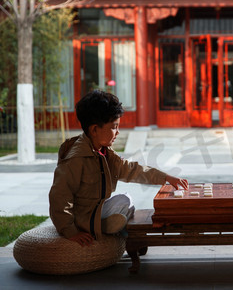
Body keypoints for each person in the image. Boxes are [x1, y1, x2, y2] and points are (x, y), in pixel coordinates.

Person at [49, 90, 188, 247]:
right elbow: (59, 197)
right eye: (114, 127)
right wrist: (70, 231)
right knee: (123, 205)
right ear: (94, 130)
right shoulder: (76, 158)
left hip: (97, 209)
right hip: (81, 217)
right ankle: (105, 228)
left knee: (126, 199)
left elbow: (133, 170)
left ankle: (111, 227)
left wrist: (166, 178)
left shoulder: (104, 152)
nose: (118, 132)